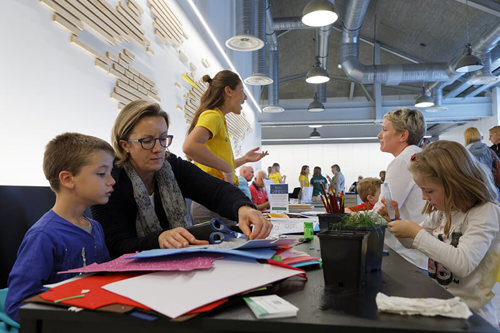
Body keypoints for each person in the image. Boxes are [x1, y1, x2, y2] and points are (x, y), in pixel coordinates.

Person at [91, 100, 272, 258]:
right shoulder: (109, 180)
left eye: (163, 139)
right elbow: (115, 246)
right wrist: (159, 239)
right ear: (125, 145)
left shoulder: (171, 166)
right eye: (147, 141)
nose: (158, 149)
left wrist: (244, 208)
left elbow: (215, 190)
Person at [386, 140, 499, 326]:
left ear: (455, 184)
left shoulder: (485, 213)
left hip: (474, 317)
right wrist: (396, 222)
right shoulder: (443, 211)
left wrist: (415, 232)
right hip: (444, 307)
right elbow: (412, 243)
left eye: (428, 190)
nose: (424, 197)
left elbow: (463, 263)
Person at [6, 133, 114, 322]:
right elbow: (17, 305)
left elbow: (102, 280)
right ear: (67, 179)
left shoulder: (95, 227)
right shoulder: (43, 236)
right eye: (101, 173)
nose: (111, 180)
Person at [182, 70, 268, 223]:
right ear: (229, 91)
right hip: (212, 201)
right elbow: (189, 146)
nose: (245, 98)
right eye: (242, 91)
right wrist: (228, 168)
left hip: (215, 197)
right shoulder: (213, 116)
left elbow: (217, 166)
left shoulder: (219, 118)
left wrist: (244, 159)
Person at [372, 107, 428, 269]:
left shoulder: (402, 162)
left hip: (407, 257)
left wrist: (347, 220)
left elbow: (383, 212)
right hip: (418, 254)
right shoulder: (416, 156)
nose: (379, 135)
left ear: (403, 135)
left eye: (384, 130)